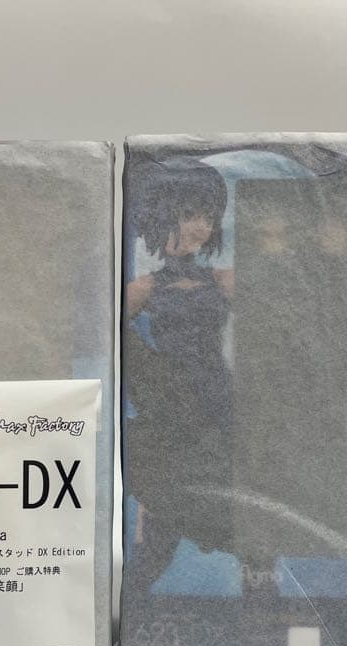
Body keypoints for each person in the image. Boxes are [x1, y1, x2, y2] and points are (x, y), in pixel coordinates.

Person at [122, 157, 237, 594]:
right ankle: (134, 600)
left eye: (207, 217)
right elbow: (111, 339)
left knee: (237, 516)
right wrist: (149, 378)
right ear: (164, 216)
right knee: (162, 524)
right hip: (170, 407)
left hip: (215, 400)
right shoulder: (144, 289)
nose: (201, 227)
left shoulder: (222, 280)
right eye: (190, 215)